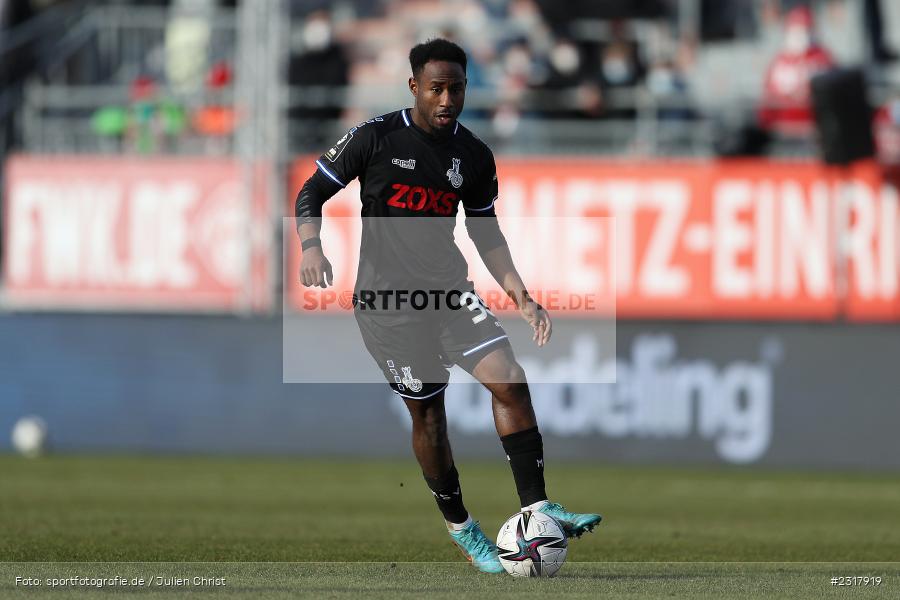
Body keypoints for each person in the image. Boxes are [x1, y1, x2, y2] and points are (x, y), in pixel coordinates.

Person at [294, 38, 601, 574]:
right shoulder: (375, 138)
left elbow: (488, 236)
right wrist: (311, 246)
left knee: (510, 379)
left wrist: (522, 297)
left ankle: (538, 506)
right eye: (436, 88)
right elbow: (310, 194)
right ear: (414, 86)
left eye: (456, 88)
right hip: (388, 306)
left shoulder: (475, 156)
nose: (446, 99)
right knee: (430, 416)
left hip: (450, 295)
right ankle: (462, 527)